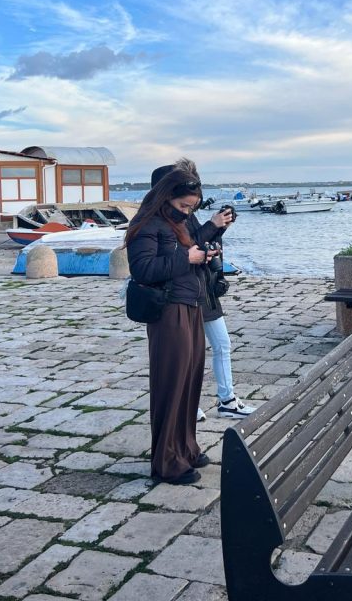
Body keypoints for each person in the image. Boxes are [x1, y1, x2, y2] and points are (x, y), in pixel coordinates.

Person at [125, 169, 214, 485]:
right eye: (184, 205)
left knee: (189, 382)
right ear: (166, 197)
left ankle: (186, 448)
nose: (188, 211)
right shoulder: (147, 224)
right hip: (167, 311)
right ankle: (166, 460)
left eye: (192, 207)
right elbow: (143, 269)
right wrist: (187, 259)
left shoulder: (178, 223)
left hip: (190, 305)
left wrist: (203, 255)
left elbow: (185, 257)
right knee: (171, 384)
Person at [150, 162, 255, 421]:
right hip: (184, 294)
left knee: (221, 344)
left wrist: (219, 228)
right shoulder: (165, 220)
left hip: (204, 288)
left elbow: (201, 243)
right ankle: (189, 405)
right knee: (187, 355)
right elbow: (186, 248)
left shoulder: (185, 214)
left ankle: (226, 400)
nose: (189, 205)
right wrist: (212, 224)